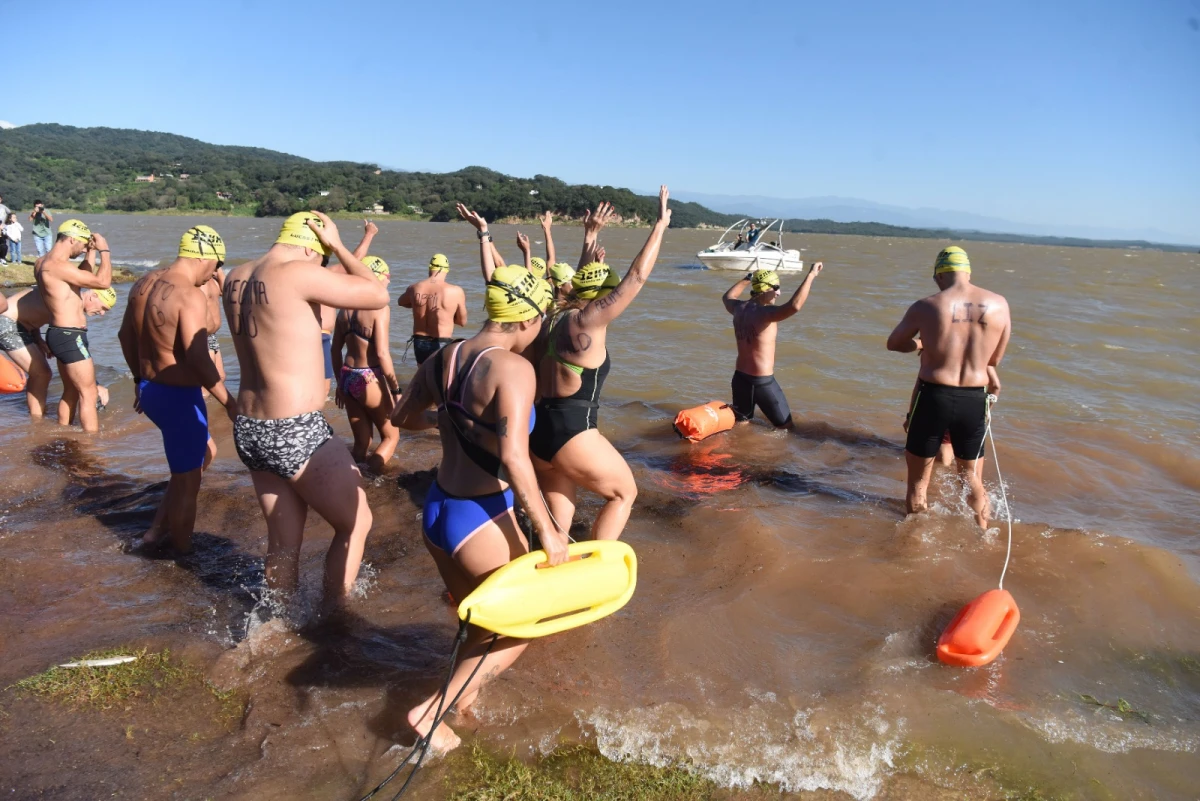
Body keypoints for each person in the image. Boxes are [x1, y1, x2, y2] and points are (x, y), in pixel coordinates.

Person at [390, 261, 568, 753]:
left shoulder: (441, 361)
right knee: (518, 630)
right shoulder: (514, 368)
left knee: (476, 622)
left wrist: (457, 419)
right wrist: (550, 533)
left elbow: (402, 418)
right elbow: (514, 458)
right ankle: (432, 711)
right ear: (527, 318)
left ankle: (461, 704)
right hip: (481, 514)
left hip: (439, 511)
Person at [467, 188, 670, 543]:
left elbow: (574, 286)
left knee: (557, 529)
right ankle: (597, 567)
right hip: (574, 432)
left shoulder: (549, 317)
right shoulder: (590, 322)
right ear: (602, 296)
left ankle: (544, 569)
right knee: (624, 494)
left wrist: (590, 237)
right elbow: (635, 278)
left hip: (539, 436)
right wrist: (660, 226)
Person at [223, 211, 389, 611]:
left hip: (248, 426)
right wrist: (339, 247)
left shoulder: (235, 275)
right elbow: (378, 294)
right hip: (293, 428)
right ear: (312, 244)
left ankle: (277, 620)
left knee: (283, 542)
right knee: (356, 522)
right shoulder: (297, 271)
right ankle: (336, 617)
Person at [119, 225, 237, 553]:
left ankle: (155, 533)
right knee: (189, 483)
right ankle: (182, 557)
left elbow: (124, 337)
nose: (215, 273)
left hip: (152, 389)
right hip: (180, 398)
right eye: (216, 265)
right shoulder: (189, 294)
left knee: (189, 466)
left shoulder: (144, 283)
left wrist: (138, 382)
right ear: (204, 257)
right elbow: (198, 358)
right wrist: (229, 402)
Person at [886, 246, 1011, 530]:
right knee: (970, 477)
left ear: (940, 276)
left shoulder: (927, 305)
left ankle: (917, 541)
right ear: (967, 272)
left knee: (919, 482)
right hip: (974, 399)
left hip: (934, 397)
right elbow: (995, 359)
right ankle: (983, 532)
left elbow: (894, 343)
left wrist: (921, 344)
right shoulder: (1000, 304)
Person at [34, 219, 112, 433]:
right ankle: (91, 446)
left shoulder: (43, 263)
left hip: (60, 333)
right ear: (70, 239)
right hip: (69, 335)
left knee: (71, 390)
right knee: (88, 393)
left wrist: (90, 252)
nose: (81, 249)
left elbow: (80, 279)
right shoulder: (57, 266)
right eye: (81, 245)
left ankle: (64, 434)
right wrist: (104, 249)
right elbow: (103, 282)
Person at [721, 263, 823, 428]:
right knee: (787, 430)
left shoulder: (738, 308)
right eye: (776, 287)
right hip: (762, 383)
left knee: (742, 426)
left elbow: (727, 297)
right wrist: (811, 275)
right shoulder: (766, 314)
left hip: (740, 379)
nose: (779, 292)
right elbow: (795, 306)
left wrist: (747, 279)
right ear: (763, 289)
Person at [331, 255, 401, 473]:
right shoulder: (380, 308)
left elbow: (334, 350)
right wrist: (396, 389)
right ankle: (371, 480)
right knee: (391, 436)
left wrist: (340, 384)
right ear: (376, 277)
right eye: (387, 277)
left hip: (347, 376)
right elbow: (381, 353)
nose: (388, 281)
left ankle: (352, 479)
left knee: (362, 442)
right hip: (369, 377)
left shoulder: (344, 309)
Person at [0, 286, 108, 418]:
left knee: (42, 373)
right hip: (7, 322)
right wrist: (93, 384)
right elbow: (68, 349)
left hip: (20, 325)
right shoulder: (68, 301)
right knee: (41, 374)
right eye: (104, 307)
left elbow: (32, 311)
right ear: (94, 296)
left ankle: (38, 415)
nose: (102, 313)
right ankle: (37, 420)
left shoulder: (66, 294)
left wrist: (38, 339)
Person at [317, 220, 377, 397]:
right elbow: (353, 261)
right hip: (319, 338)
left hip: (310, 337)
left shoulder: (295, 273)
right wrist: (369, 234)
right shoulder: (322, 275)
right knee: (322, 390)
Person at [397, 252, 467, 365]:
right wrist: (447, 315)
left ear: (430, 268)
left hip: (419, 341)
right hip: (442, 341)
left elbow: (401, 302)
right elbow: (462, 322)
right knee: (440, 379)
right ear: (446, 270)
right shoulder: (456, 291)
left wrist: (416, 304)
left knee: (423, 377)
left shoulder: (415, 288)